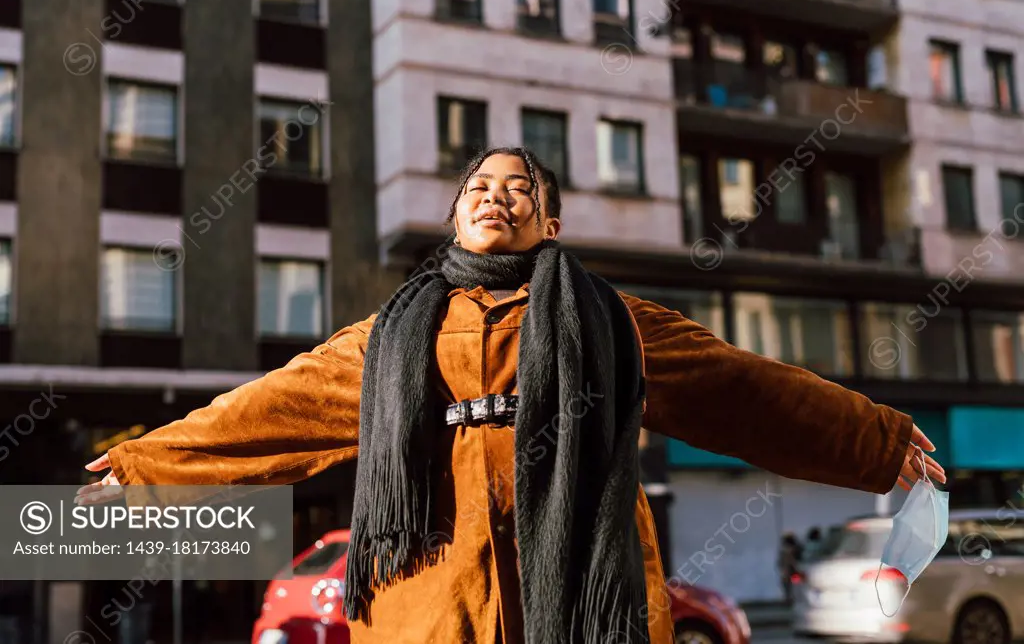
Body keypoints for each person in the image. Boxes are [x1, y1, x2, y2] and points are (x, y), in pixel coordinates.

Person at [77, 147, 945, 644]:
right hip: (429, 611)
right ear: (456, 218)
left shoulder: (613, 323)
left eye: (519, 188)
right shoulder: (390, 336)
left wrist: (874, 441)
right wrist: (143, 465)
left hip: (578, 605)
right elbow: (271, 411)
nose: (497, 197)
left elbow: (745, 391)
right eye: (479, 189)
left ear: (551, 223)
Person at [777, 533, 802, 606]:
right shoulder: (797, 549)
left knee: (787, 588)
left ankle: (788, 600)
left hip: (786, 573)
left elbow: (780, 563)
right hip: (794, 572)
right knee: (795, 587)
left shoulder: (783, 551)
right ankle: (794, 600)